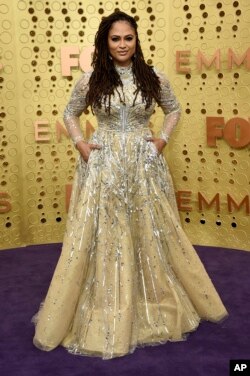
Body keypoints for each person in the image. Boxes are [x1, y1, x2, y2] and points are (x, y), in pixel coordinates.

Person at [32, 11, 228, 359]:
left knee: (149, 231)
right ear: (105, 44)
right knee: (107, 234)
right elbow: (68, 114)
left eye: (128, 38)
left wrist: (161, 141)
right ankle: (111, 306)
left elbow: (174, 109)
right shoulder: (90, 79)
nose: (122, 44)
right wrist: (81, 146)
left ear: (136, 42)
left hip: (143, 165)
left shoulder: (154, 77)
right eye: (115, 38)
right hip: (105, 165)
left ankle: (151, 299)